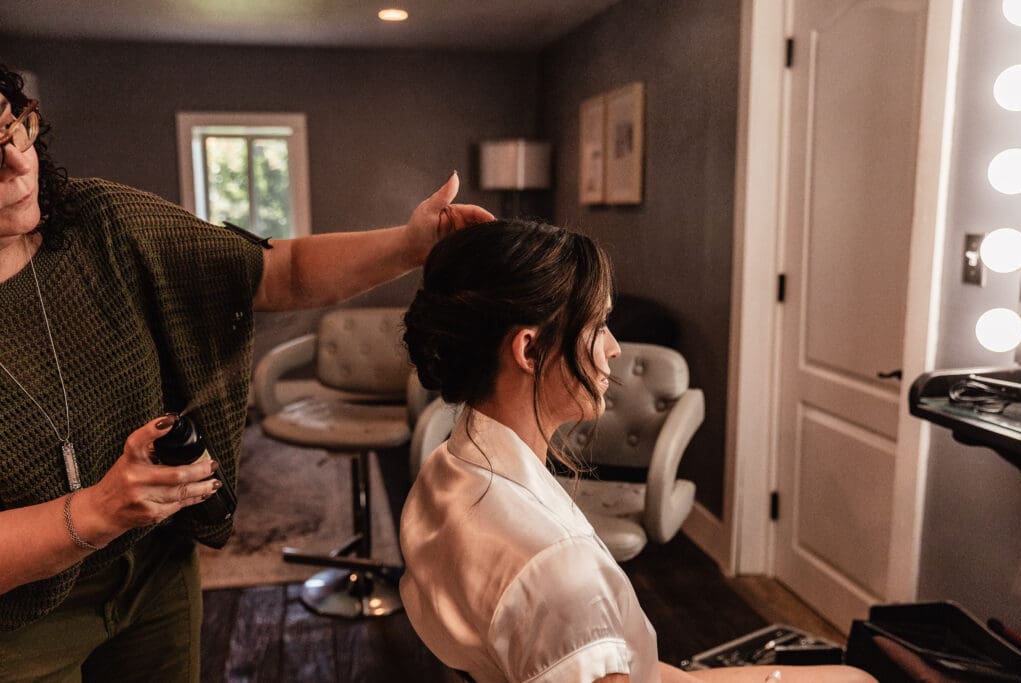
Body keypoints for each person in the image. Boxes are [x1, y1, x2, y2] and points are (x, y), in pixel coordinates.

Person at [0, 64, 493, 682]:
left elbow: (275, 271)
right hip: (19, 624)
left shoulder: (100, 221)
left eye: (15, 130)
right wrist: (97, 510)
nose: (18, 165)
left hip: (155, 567)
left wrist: (411, 245)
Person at [400, 219, 876, 683]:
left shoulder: (445, 470)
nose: (614, 349)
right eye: (598, 324)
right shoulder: (557, 570)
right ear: (529, 351)